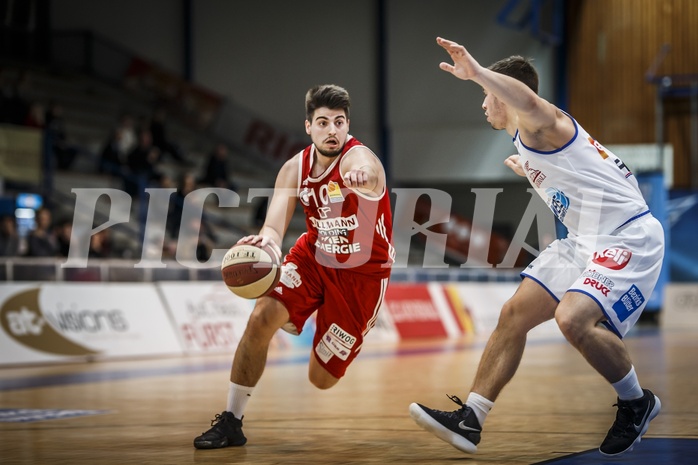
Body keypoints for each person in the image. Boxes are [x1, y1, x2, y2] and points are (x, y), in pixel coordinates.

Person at [409, 37, 664, 458]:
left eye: (489, 95)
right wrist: (530, 169)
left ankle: (638, 402)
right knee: (513, 314)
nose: (484, 103)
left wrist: (476, 73)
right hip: (583, 241)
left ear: (507, 93)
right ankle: (471, 418)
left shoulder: (544, 122)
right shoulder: (529, 145)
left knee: (573, 319)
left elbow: (528, 100)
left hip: (626, 235)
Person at [193, 84, 395, 449]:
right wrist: (268, 241)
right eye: (323, 122)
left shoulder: (359, 160)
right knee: (260, 318)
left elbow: (368, 170)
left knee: (321, 379)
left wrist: (362, 178)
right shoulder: (293, 168)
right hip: (314, 258)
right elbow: (273, 225)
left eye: (339, 122)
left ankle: (316, 318)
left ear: (348, 124)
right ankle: (231, 421)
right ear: (308, 126)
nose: (332, 130)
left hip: (361, 276)